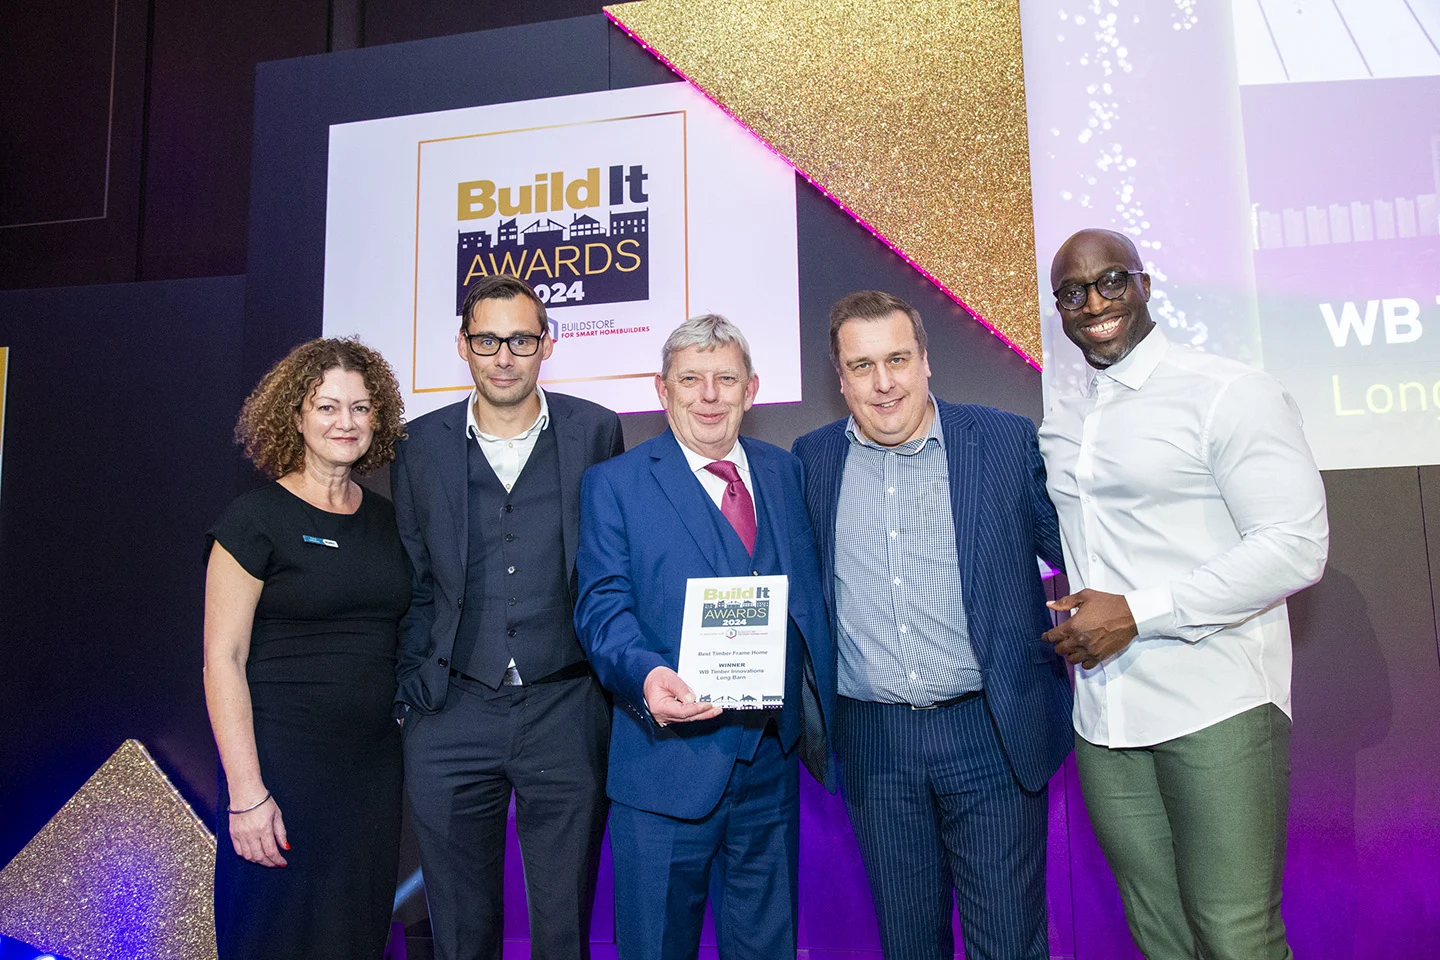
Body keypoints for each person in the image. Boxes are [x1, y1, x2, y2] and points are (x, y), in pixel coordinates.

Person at [1038, 228, 1328, 960]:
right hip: (1107, 719)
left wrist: (1139, 612)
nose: (1095, 303)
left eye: (1111, 281)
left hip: (1216, 702)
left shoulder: (1228, 391)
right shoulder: (1065, 416)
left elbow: (1296, 544)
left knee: (1236, 937)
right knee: (1160, 939)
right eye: (1073, 293)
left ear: (1143, 283)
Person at [791, 291, 1071, 960]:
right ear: (839, 378)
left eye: (896, 359)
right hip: (873, 741)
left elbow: (1081, 550)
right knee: (909, 944)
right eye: (861, 366)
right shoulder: (812, 460)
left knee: (1008, 943)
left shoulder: (1002, 439)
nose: (883, 383)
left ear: (925, 361)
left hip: (991, 732)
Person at [574, 314, 836, 960]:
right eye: (690, 379)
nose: (708, 395)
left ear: (752, 388)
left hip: (770, 769)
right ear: (663, 391)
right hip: (663, 770)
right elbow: (602, 606)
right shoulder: (615, 484)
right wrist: (643, 676)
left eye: (724, 378)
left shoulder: (787, 473)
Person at [392, 274, 622, 960]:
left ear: (547, 344)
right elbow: (412, 578)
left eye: (521, 339)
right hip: (451, 709)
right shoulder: (417, 445)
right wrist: (412, 692)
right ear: (462, 345)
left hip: (565, 706)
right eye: (487, 339)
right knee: (462, 933)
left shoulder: (595, 431)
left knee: (562, 929)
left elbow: (612, 570)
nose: (504, 356)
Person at [204, 337, 410, 960]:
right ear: (295, 415)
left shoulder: (388, 519)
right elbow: (222, 660)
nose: (345, 422)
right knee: (273, 936)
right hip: (281, 772)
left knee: (353, 937)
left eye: (360, 408)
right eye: (327, 407)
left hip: (371, 776)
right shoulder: (255, 519)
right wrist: (248, 794)